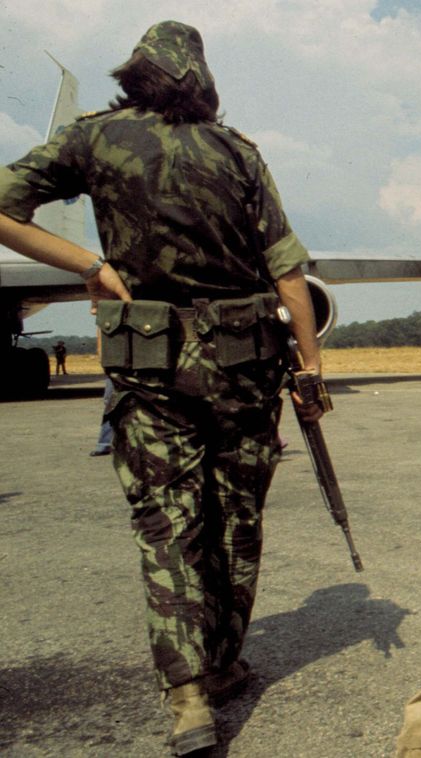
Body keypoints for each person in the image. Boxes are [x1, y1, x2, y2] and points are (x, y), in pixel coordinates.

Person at [0, 21, 326, 755]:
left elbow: (2, 207)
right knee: (236, 519)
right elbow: (287, 272)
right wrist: (309, 369)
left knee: (167, 526)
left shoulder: (94, 140)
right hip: (243, 368)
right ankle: (222, 664)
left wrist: (89, 264)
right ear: (200, 79)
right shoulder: (236, 150)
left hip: (149, 368)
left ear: (134, 74)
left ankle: (187, 700)